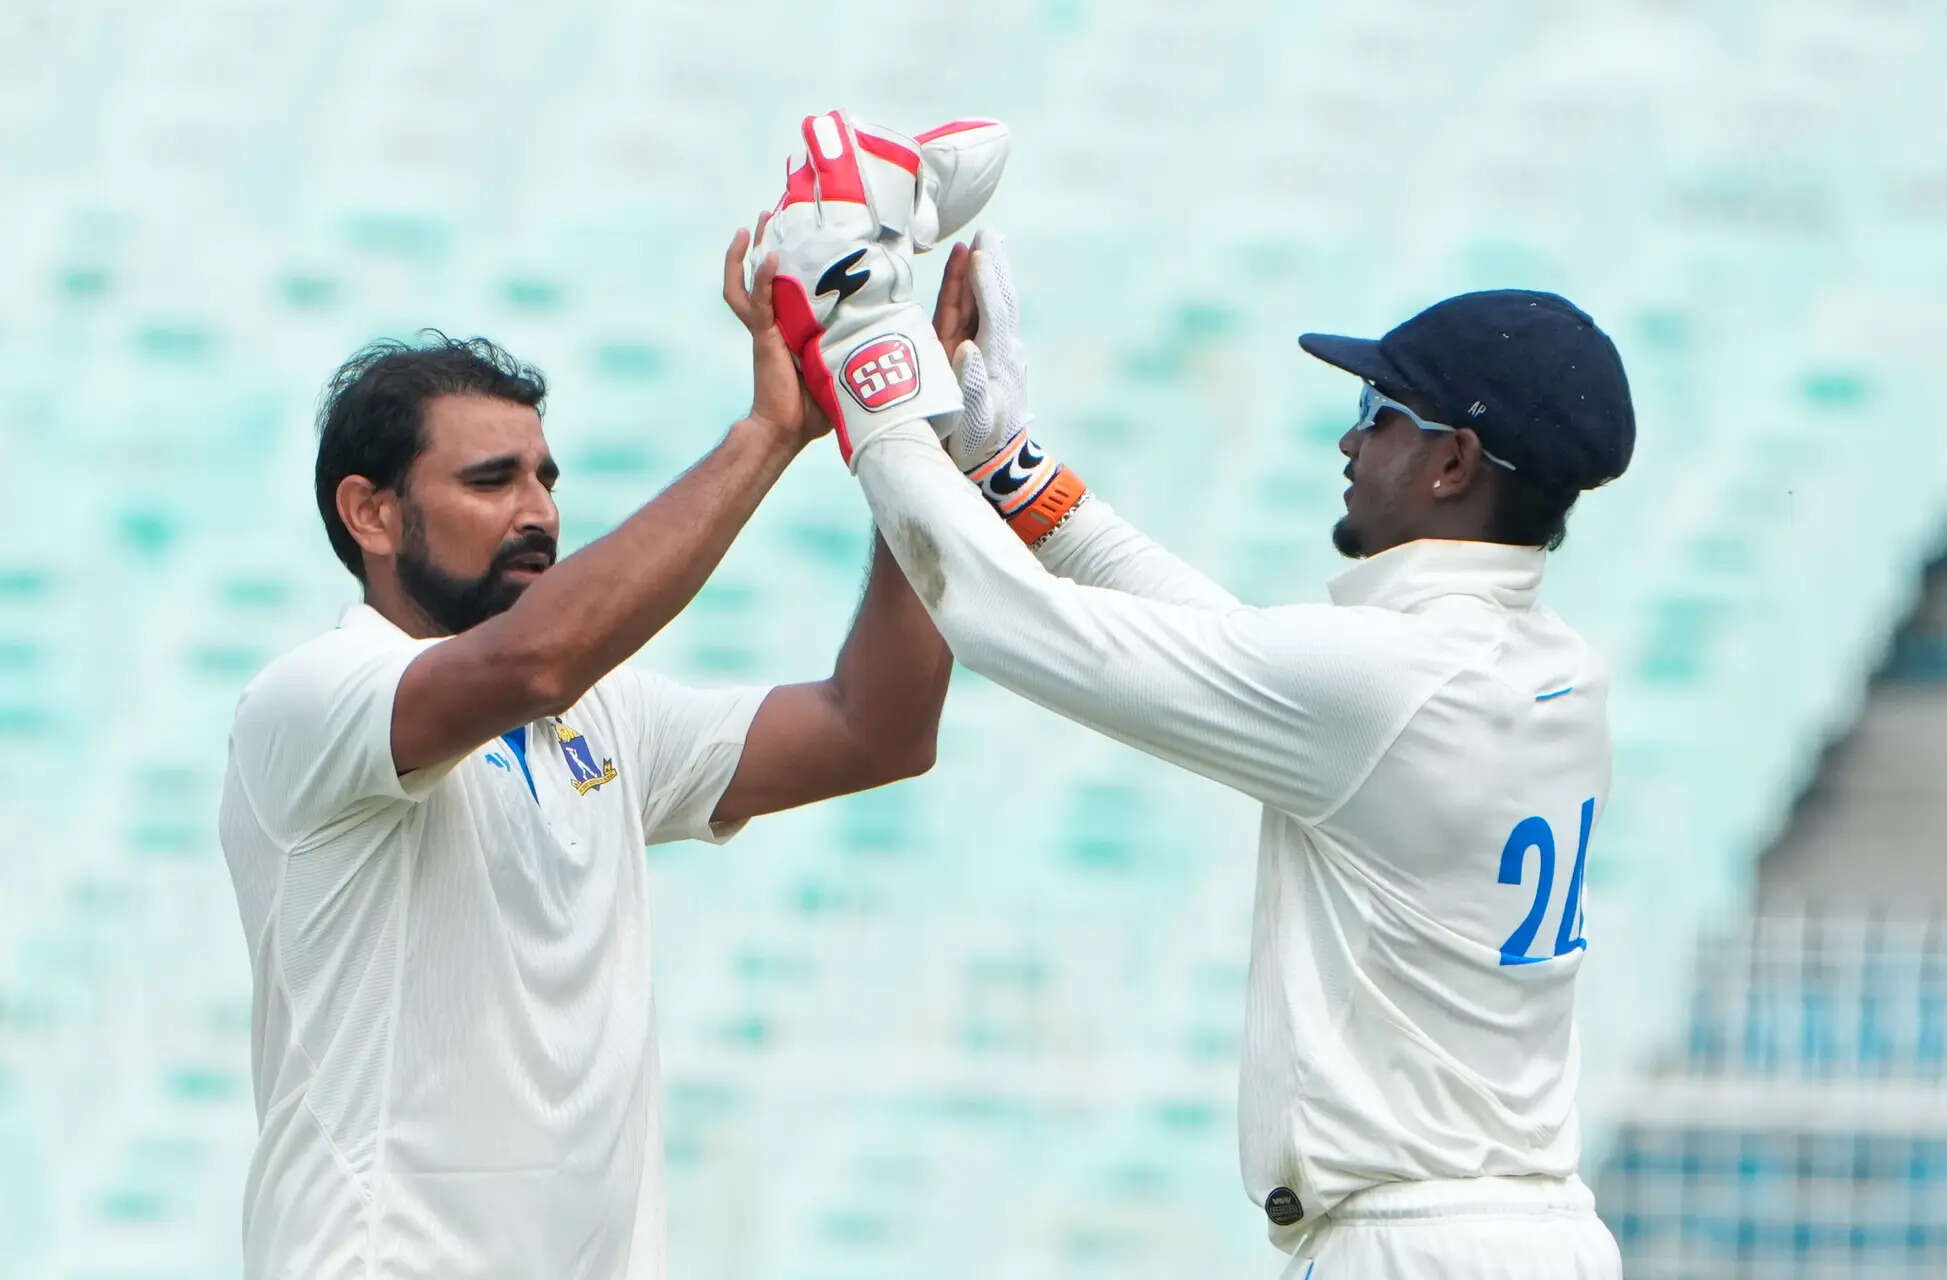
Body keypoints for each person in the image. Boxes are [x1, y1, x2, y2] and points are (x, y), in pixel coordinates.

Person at [748, 124, 1634, 1277]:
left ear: (1453, 463)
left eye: (1378, 410)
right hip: (1532, 1233)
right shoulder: (1543, 664)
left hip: (1417, 1247)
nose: (1348, 438)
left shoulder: (1393, 680)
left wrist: (865, 349)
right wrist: (1003, 458)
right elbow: (1234, 649)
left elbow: (1006, 619)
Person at [216, 229, 953, 1279]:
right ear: (370, 512)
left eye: (545, 478)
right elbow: (535, 660)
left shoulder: (598, 718)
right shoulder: (309, 700)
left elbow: (875, 727)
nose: (540, 512)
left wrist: (913, 453)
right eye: (491, 480)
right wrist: (771, 432)